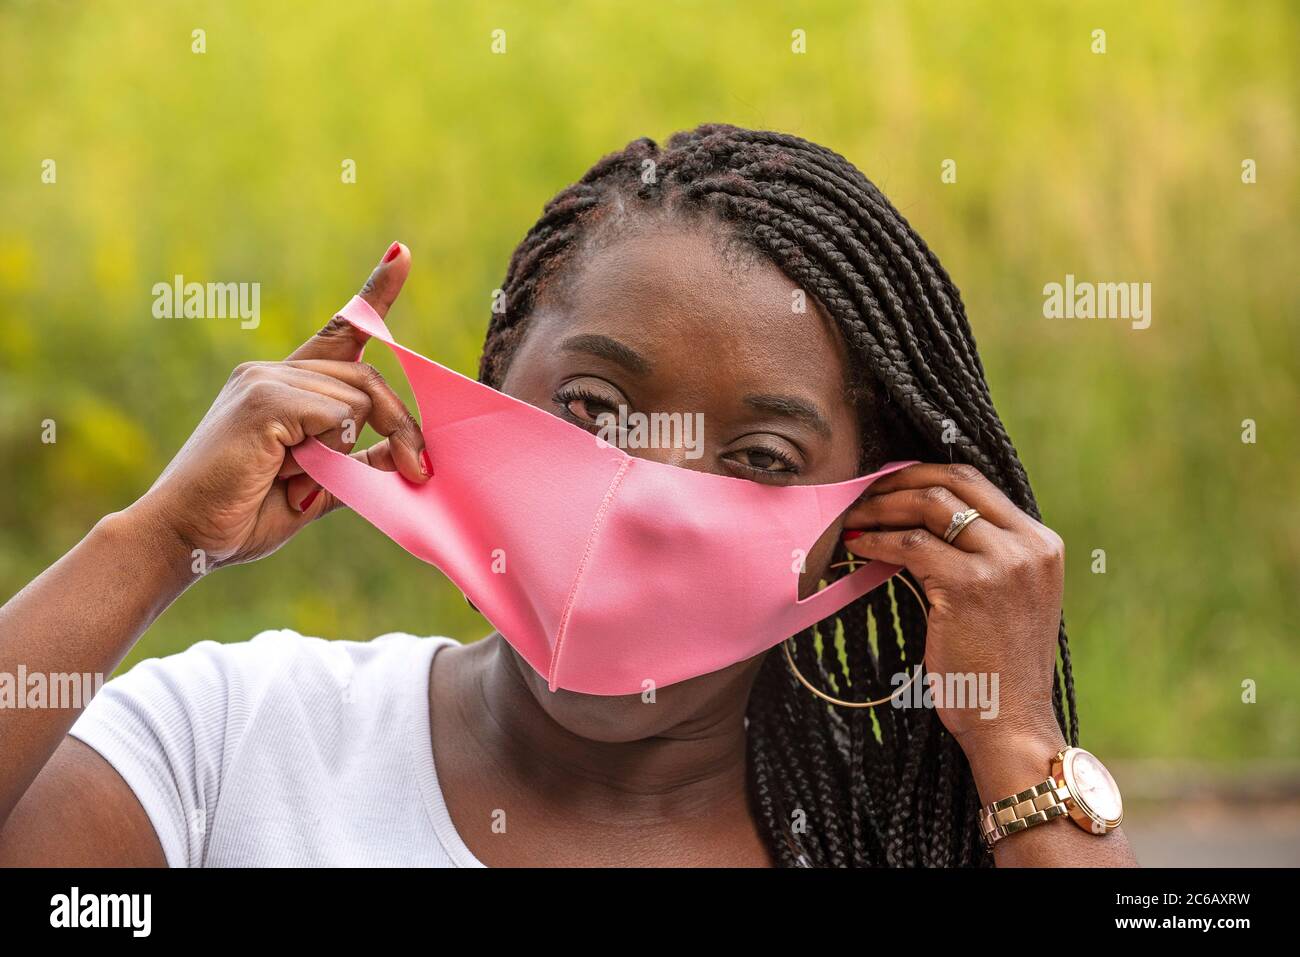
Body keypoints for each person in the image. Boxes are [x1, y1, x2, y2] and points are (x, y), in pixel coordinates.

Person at [0, 125, 1135, 867]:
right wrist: (152, 544)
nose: (647, 500)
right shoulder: (238, 742)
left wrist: (1020, 743)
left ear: (865, 522)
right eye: (595, 409)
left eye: (761, 459)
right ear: (488, 385)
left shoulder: (904, 833)